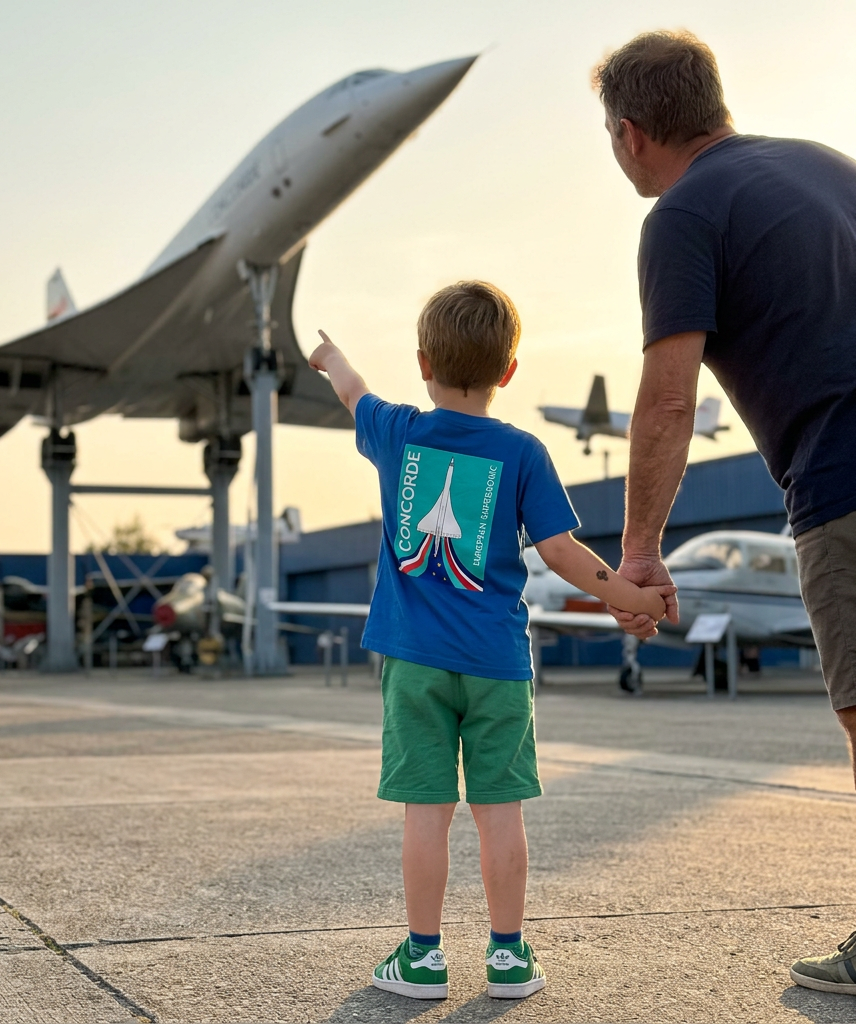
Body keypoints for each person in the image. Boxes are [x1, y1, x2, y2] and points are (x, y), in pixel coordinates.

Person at [309, 281, 670, 1000]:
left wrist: (328, 355)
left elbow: (351, 389)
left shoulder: (398, 430)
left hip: (413, 663)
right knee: (499, 810)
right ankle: (507, 958)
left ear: (422, 362)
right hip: (498, 664)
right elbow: (562, 552)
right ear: (508, 371)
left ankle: (421, 957)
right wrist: (629, 598)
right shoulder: (523, 451)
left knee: (427, 810)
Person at [594, 30, 856, 996]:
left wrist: (638, 554)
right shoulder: (829, 164)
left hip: (844, 478)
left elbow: (668, 398)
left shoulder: (683, 211)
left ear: (631, 133)